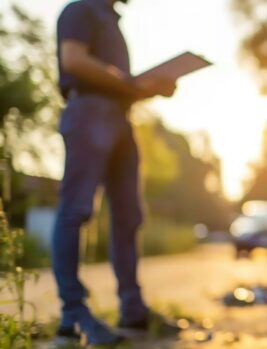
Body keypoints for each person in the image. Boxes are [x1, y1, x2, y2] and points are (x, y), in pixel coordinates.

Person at [53, 0, 177, 345]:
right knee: (75, 209)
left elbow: (119, 84)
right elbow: (74, 60)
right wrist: (129, 84)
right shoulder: (80, 10)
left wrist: (147, 88)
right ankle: (72, 315)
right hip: (88, 111)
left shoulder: (111, 19)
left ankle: (133, 311)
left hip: (120, 118)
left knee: (129, 215)